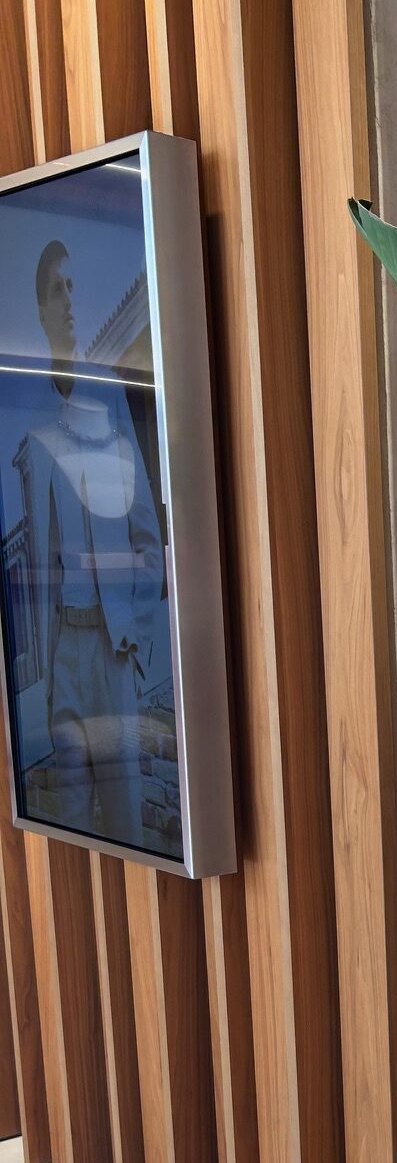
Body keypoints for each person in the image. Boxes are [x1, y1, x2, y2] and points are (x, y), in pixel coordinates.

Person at [19, 240, 164, 849]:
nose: (70, 301)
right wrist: (50, 668)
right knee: (73, 830)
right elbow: (38, 560)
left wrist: (135, 632)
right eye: (58, 290)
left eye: (74, 286)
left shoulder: (107, 405)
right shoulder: (34, 426)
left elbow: (147, 538)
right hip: (64, 659)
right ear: (42, 311)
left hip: (111, 650)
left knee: (127, 817)